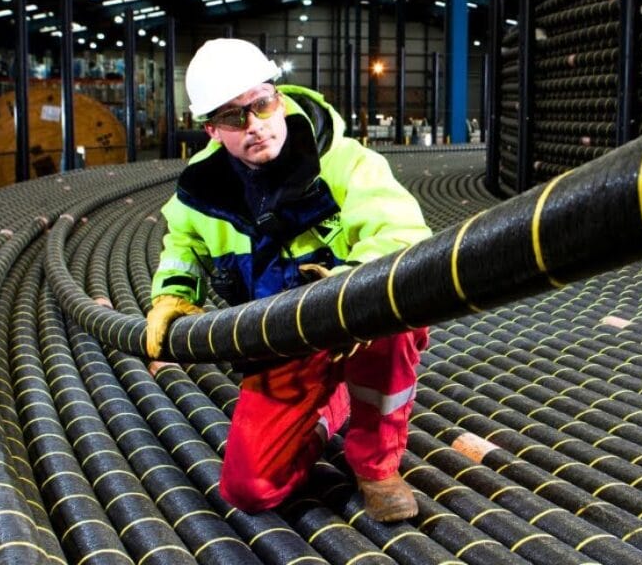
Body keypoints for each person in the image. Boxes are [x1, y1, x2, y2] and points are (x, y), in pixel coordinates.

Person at [146, 38, 431, 522]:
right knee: (251, 490)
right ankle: (329, 408)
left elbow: (401, 235)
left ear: (277, 96)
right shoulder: (203, 189)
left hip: (356, 326)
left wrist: (345, 295)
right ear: (212, 129)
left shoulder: (346, 162)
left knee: (391, 309)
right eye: (235, 118)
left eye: (261, 103)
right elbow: (182, 243)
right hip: (282, 340)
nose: (255, 125)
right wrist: (173, 294)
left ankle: (376, 466)